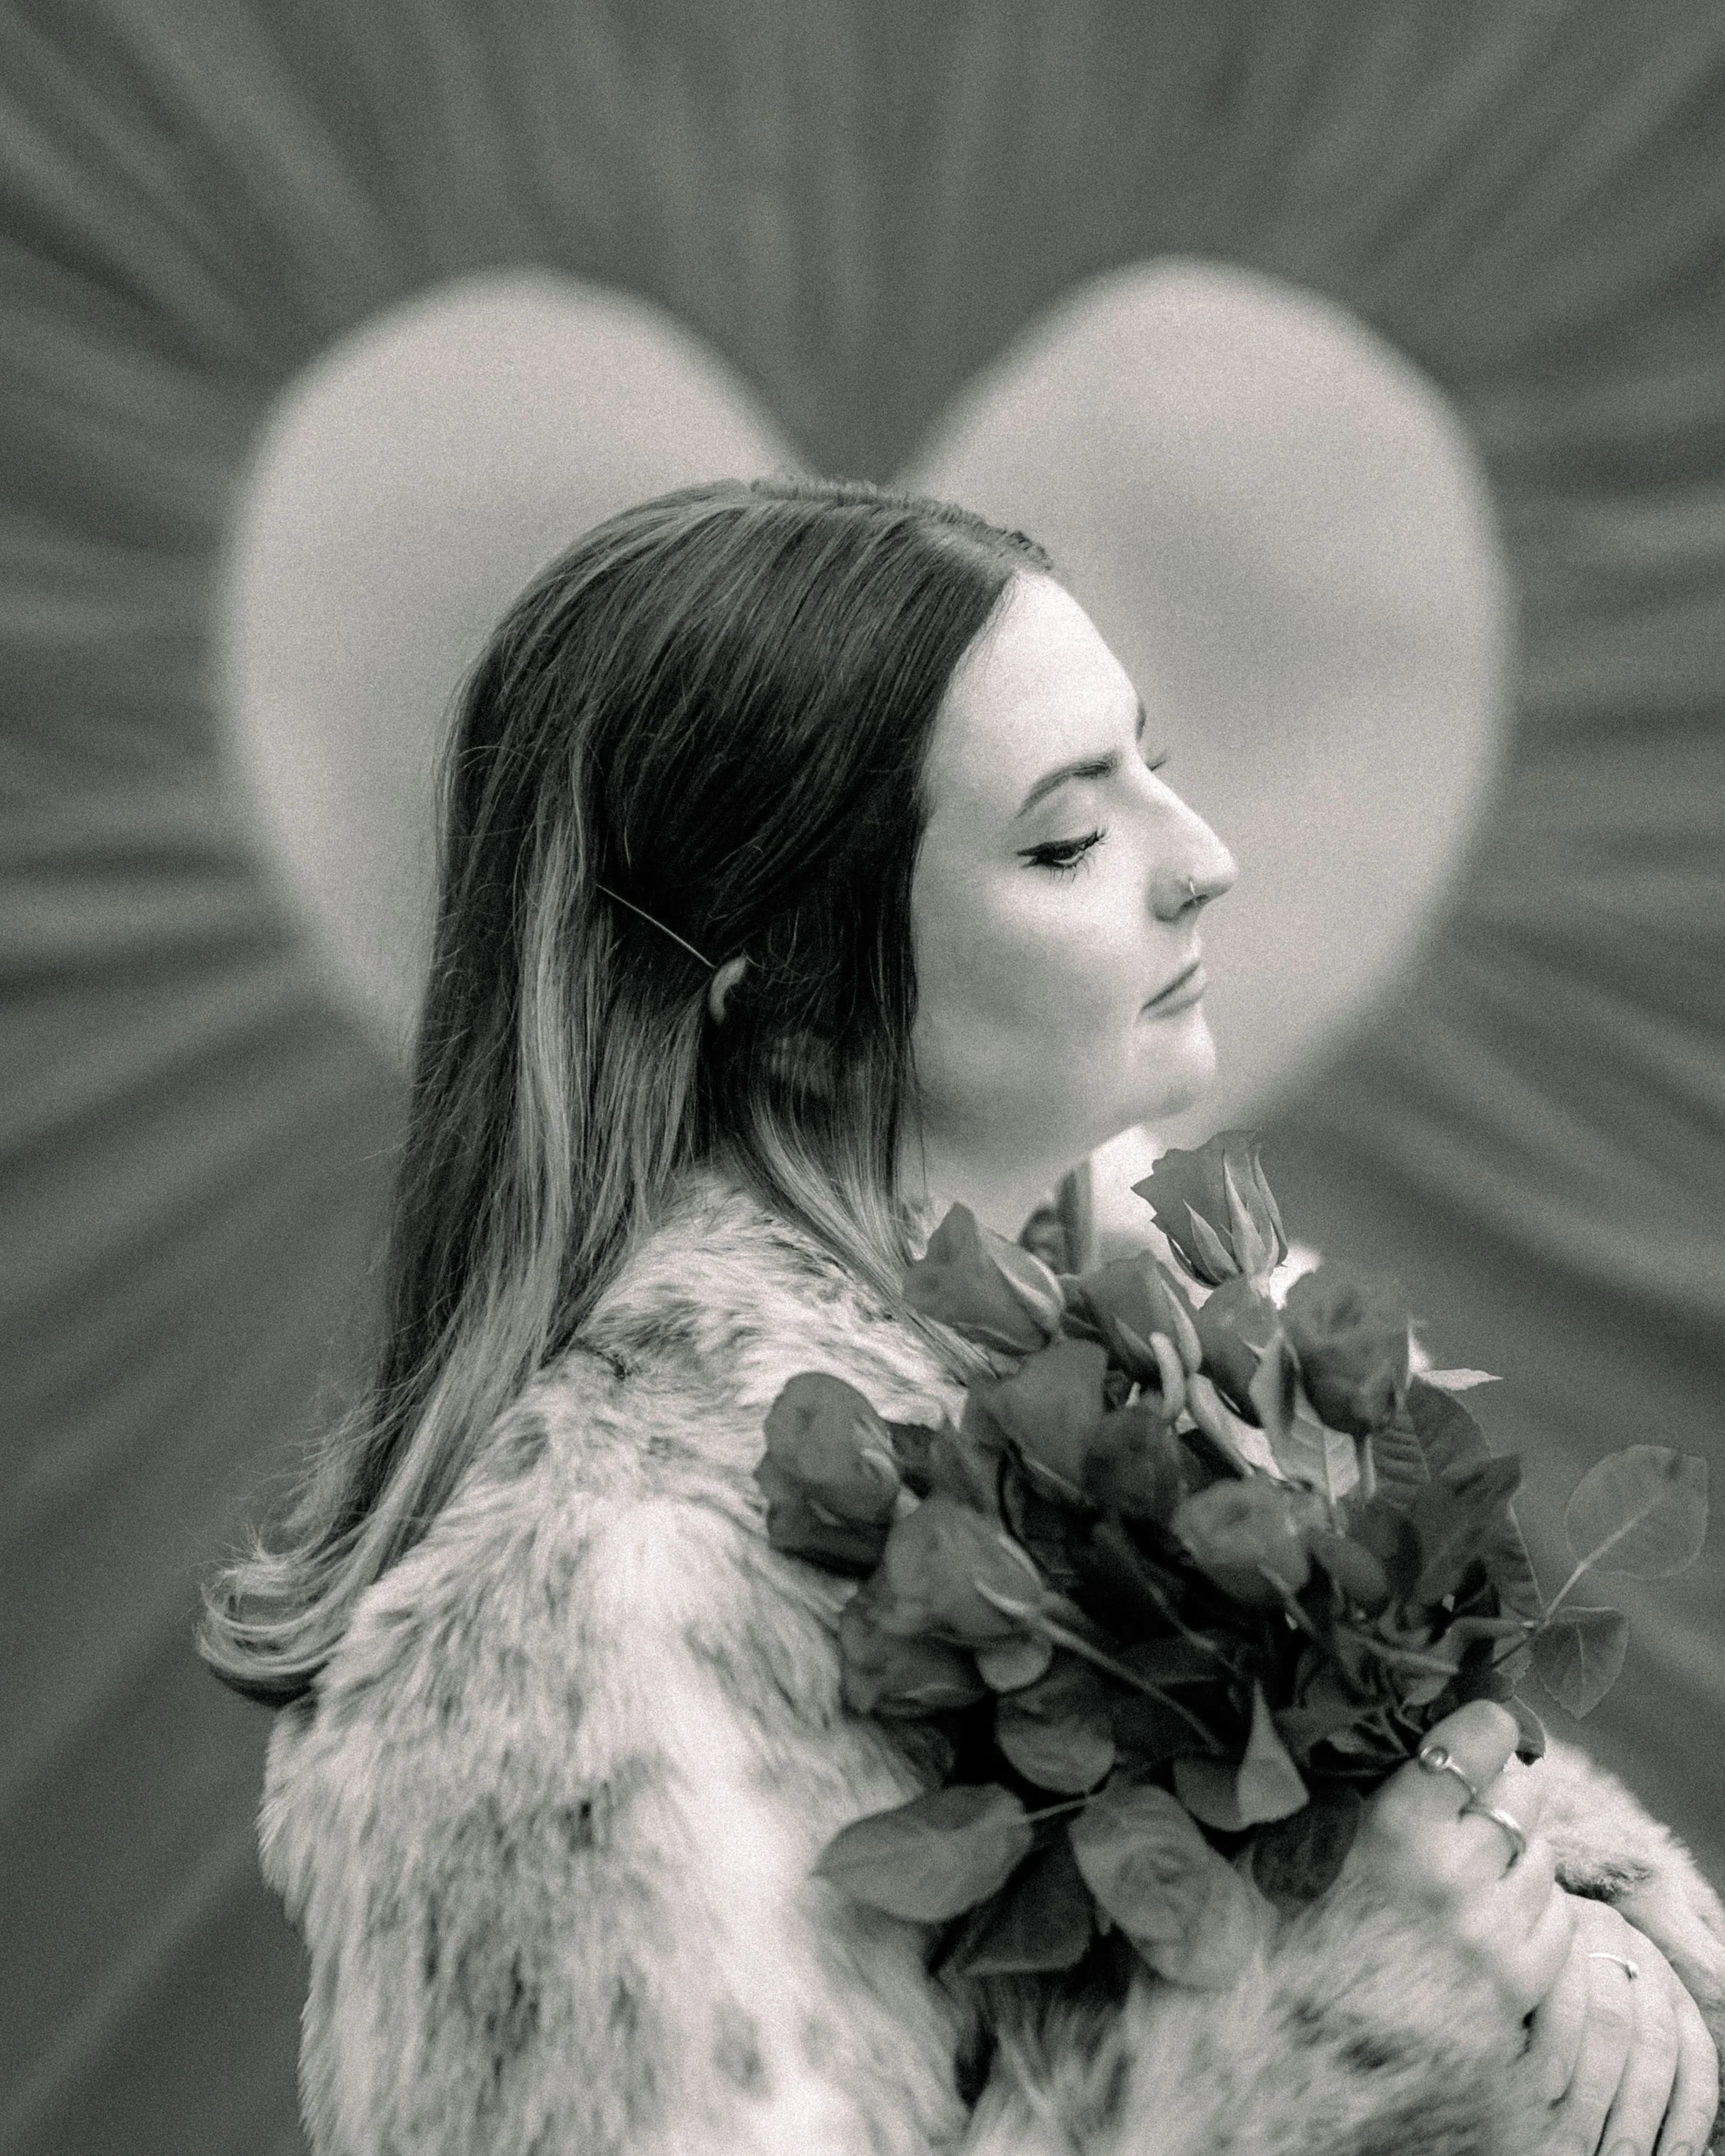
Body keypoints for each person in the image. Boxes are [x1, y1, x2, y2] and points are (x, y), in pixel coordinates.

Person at [204, 476, 1724, 2155]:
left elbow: (1454, 1910)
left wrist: (1590, 1961)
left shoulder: (1198, 1380)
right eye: (1065, 840)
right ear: (790, 1011)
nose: (1200, 861)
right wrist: (1313, 2021)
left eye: (1152, 764)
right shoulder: (597, 1610)